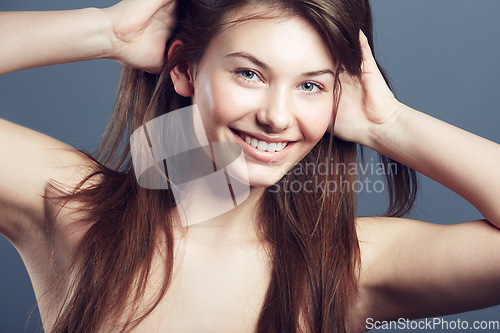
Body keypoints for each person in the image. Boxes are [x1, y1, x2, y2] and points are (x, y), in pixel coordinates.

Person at [0, 0, 499, 332]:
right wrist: (106, 32)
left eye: (310, 85)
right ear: (184, 68)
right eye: (249, 73)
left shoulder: (346, 268)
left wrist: (389, 124)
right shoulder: (73, 211)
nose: (276, 116)